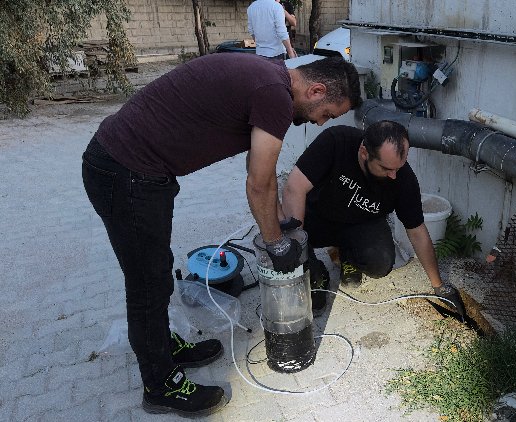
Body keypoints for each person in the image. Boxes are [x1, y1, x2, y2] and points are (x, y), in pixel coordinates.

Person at [81, 53, 361, 417]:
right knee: (147, 284)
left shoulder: (270, 80)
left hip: (131, 168)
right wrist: (275, 243)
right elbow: (257, 184)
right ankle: (160, 386)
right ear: (316, 90)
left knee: (156, 271)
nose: (320, 122)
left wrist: (280, 222)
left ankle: (163, 347)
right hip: (126, 173)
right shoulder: (274, 95)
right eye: (326, 114)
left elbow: (260, 168)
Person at [280, 121, 465, 317]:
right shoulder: (336, 140)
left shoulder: (402, 178)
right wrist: (298, 258)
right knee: (288, 227)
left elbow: (417, 231)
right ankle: (314, 269)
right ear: (364, 152)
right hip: (316, 217)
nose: (393, 175)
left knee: (381, 263)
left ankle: (347, 256)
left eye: (398, 168)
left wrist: (439, 286)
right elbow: (294, 188)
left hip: (358, 224)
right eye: (386, 169)